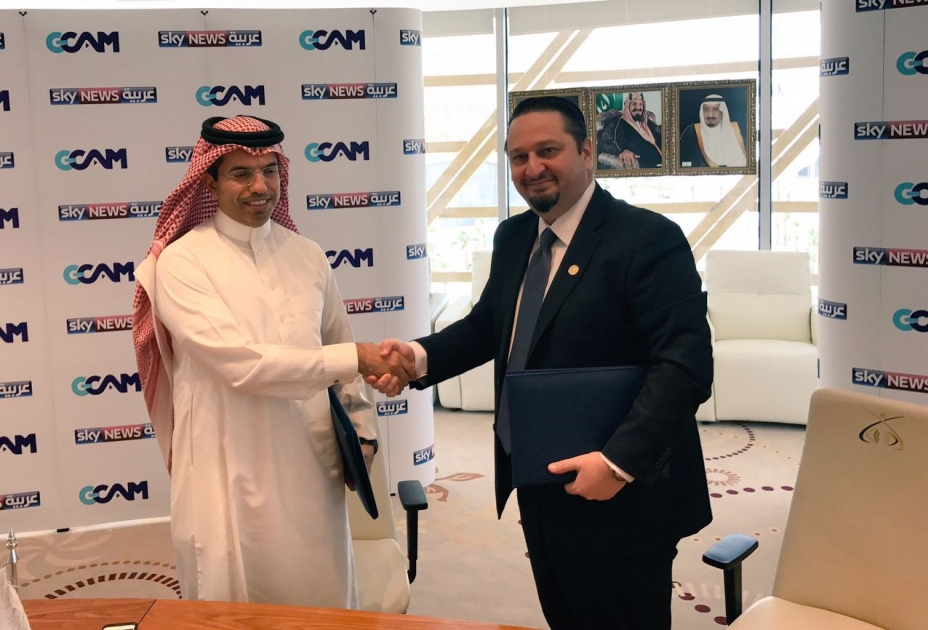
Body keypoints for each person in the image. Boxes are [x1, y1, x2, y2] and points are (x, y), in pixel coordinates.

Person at [372, 97, 713, 629]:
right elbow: (490, 326)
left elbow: (684, 367)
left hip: (623, 491)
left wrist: (618, 463)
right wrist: (416, 357)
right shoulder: (513, 238)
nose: (532, 168)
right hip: (537, 477)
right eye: (518, 157)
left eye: (548, 150)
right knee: (565, 614)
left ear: (587, 152)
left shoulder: (648, 239)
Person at [132, 115, 413, 607]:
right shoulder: (180, 262)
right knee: (235, 604)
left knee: (322, 600)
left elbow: (339, 349)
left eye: (270, 171)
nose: (260, 187)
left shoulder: (308, 255)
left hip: (311, 465)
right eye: (241, 173)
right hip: (227, 469)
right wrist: (356, 357)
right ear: (209, 181)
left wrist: (364, 432)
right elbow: (241, 364)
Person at [679, 93, 747, 168]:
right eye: (706, 110)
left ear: (722, 112)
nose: (710, 115)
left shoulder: (737, 130)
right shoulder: (691, 132)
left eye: (715, 110)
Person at [597, 92, 663, 169]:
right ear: (628, 106)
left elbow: (658, 132)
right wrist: (623, 151)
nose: (638, 107)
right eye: (634, 104)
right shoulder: (616, 123)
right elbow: (603, 143)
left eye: (640, 104)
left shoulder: (645, 121)